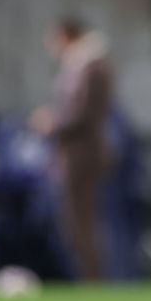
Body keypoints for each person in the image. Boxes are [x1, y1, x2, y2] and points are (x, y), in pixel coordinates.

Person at [30, 16, 114, 282]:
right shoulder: (82, 66)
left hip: (82, 156)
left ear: (67, 36)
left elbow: (83, 115)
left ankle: (93, 282)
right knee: (76, 225)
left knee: (83, 224)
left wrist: (52, 124)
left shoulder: (92, 67)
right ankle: (89, 280)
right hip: (74, 154)